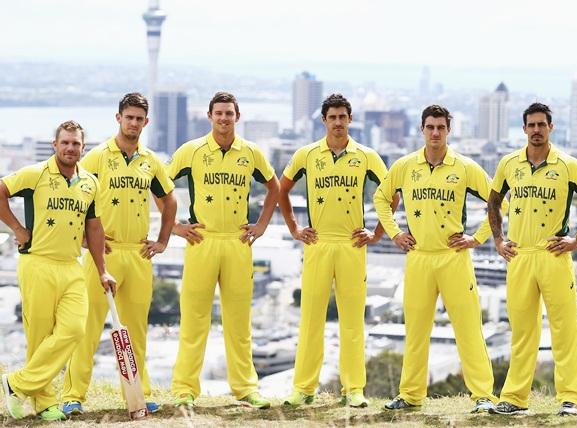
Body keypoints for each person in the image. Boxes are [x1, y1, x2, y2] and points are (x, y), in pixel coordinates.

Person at [374, 105, 500, 413]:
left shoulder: (465, 166)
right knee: (415, 330)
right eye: (430, 127)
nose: (435, 133)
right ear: (422, 129)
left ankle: (482, 395)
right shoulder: (405, 166)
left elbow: (498, 202)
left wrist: (478, 237)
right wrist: (394, 234)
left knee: (468, 328)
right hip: (418, 258)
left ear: (448, 130)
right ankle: (410, 395)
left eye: (440, 127)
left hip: (453, 258)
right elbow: (380, 197)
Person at [61, 93, 177, 416]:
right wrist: (85, 240)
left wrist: (163, 241)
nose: (134, 123)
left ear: (146, 122)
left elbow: (169, 201)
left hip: (138, 253)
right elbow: (76, 196)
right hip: (104, 254)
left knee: (136, 330)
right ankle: (73, 395)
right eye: (129, 117)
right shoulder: (98, 156)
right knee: (88, 326)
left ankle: (139, 395)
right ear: (118, 118)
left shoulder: (150, 161)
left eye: (140, 119)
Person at [162, 91, 279, 410]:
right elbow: (160, 186)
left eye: (229, 113)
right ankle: (184, 387)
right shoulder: (192, 150)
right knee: (194, 318)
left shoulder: (251, 152)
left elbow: (274, 186)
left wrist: (261, 225)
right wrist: (175, 227)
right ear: (210, 116)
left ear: (237, 117)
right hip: (202, 241)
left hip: (238, 243)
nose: (224, 118)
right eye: (219, 113)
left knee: (239, 321)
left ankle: (245, 388)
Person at [278, 93, 393, 408]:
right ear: (324, 120)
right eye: (333, 117)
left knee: (353, 321)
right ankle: (303, 388)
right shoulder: (307, 154)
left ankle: (353, 388)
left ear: (351, 120)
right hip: (317, 244)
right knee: (311, 319)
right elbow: (281, 189)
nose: (338, 123)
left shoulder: (367, 156)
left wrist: (378, 232)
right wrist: (293, 228)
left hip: (351, 245)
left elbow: (390, 194)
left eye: (343, 117)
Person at [0, 121, 115, 421]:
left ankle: (16, 384)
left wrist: (102, 270)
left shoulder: (90, 182)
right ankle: (45, 402)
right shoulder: (35, 174)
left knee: (75, 329)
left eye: (75, 144)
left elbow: (94, 227)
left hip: (71, 266)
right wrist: (16, 228)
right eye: (65, 143)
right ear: (54, 145)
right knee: (39, 336)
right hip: (37, 262)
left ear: (82, 148)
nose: (70, 148)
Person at [487, 103, 577, 416]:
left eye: (542, 125)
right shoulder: (509, 163)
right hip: (519, 256)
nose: (536, 130)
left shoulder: (569, 165)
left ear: (551, 127)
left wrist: (576, 239)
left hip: (553, 256)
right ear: (523, 129)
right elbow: (494, 201)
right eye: (531, 125)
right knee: (522, 331)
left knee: (564, 328)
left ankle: (570, 398)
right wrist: (497, 239)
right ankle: (514, 398)